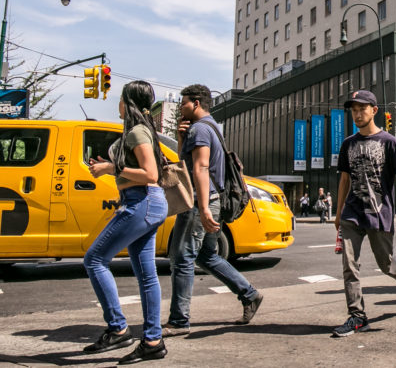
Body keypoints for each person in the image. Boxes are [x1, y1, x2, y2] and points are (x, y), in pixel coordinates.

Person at [163, 84, 262, 336]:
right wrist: (181, 138)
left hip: (199, 202)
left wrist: (204, 207)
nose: (180, 107)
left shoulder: (199, 129)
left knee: (182, 258)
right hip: (208, 200)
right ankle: (249, 294)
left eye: (183, 102)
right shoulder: (212, 127)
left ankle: (178, 320)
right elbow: (186, 163)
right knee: (206, 256)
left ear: (196, 103)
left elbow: (201, 168)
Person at [83, 80, 168, 364]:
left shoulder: (137, 131)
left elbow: (151, 174)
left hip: (142, 202)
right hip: (146, 202)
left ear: (128, 102)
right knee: (146, 275)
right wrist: (111, 170)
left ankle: (118, 328)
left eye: (120, 99)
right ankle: (152, 341)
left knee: (94, 259)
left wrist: (111, 167)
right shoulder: (142, 130)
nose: (117, 105)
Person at [333, 90, 396, 337]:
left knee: (387, 265)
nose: (357, 114)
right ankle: (357, 316)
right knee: (349, 266)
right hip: (352, 212)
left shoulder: (389, 142)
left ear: (374, 110)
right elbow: (344, 179)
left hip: (379, 212)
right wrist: (338, 212)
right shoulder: (348, 144)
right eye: (353, 110)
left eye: (362, 109)